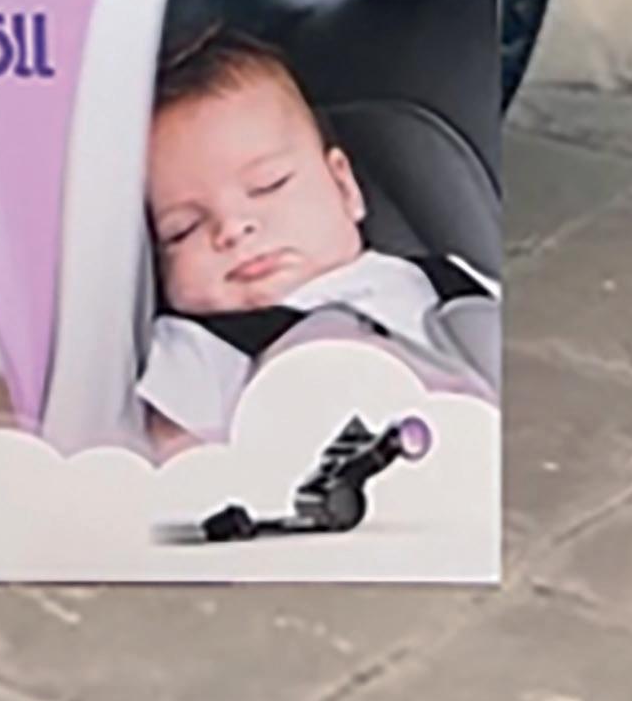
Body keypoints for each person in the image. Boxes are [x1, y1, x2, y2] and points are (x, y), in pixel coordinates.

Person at [136, 25, 500, 461]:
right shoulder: (200, 351)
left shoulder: (445, 280)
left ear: (345, 187)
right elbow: (174, 466)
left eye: (268, 185)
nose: (232, 229)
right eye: (183, 228)